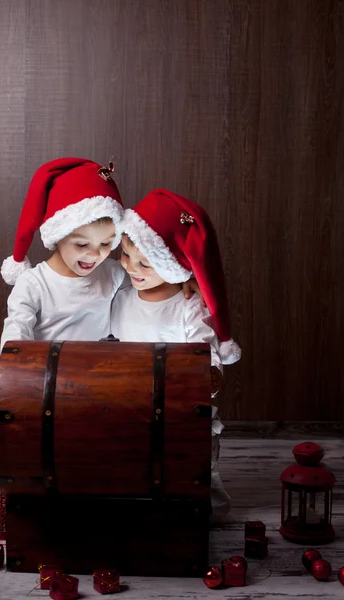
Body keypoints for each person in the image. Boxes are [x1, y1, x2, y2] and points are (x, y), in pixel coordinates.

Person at [111, 188, 241, 525]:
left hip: (180, 405)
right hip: (136, 402)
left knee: (195, 467)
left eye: (145, 263)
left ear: (175, 265)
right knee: (140, 464)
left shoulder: (187, 307)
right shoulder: (123, 298)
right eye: (125, 255)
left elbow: (204, 348)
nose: (131, 268)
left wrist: (209, 373)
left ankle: (207, 509)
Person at [0, 157, 126, 349]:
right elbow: (16, 332)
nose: (94, 254)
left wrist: (186, 283)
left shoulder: (113, 273)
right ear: (58, 237)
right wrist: (17, 366)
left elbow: (152, 289)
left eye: (106, 243)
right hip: (49, 376)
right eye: (82, 245)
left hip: (100, 375)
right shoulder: (34, 284)